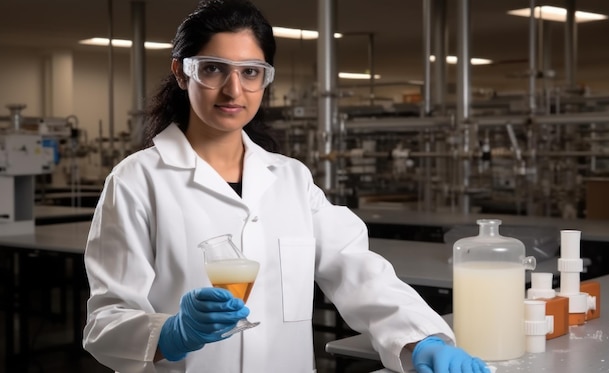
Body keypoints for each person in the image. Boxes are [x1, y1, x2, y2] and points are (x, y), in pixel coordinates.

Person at [82, 1, 490, 372]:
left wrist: (422, 339)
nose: (233, 89)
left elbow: (357, 270)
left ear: (265, 79)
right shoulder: (137, 180)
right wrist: (171, 332)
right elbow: (105, 323)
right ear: (181, 71)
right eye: (212, 68)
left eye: (250, 72)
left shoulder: (290, 178)